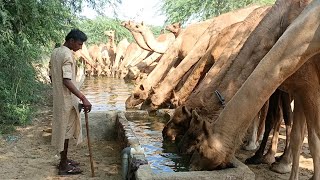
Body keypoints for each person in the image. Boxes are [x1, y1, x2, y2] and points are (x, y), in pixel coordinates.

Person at [49, 29, 92, 175]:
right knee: (66, 132)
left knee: (63, 130)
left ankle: (64, 160)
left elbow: (52, 76)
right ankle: (63, 166)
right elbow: (66, 80)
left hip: (59, 98)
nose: (80, 47)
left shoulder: (56, 52)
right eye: (79, 44)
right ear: (71, 40)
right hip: (66, 100)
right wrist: (83, 97)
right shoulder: (67, 54)